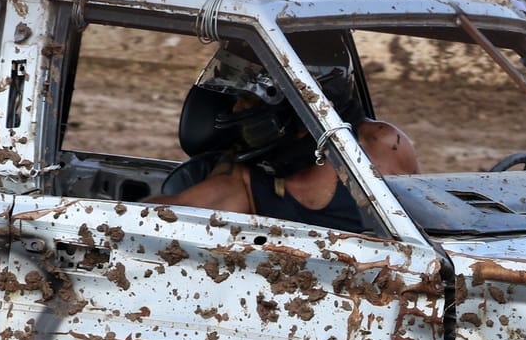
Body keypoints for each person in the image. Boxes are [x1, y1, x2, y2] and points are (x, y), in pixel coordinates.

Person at [165, 44, 420, 233]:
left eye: (249, 99)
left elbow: (426, 229)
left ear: (301, 103)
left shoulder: (379, 147)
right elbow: (172, 212)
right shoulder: (243, 175)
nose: (236, 108)